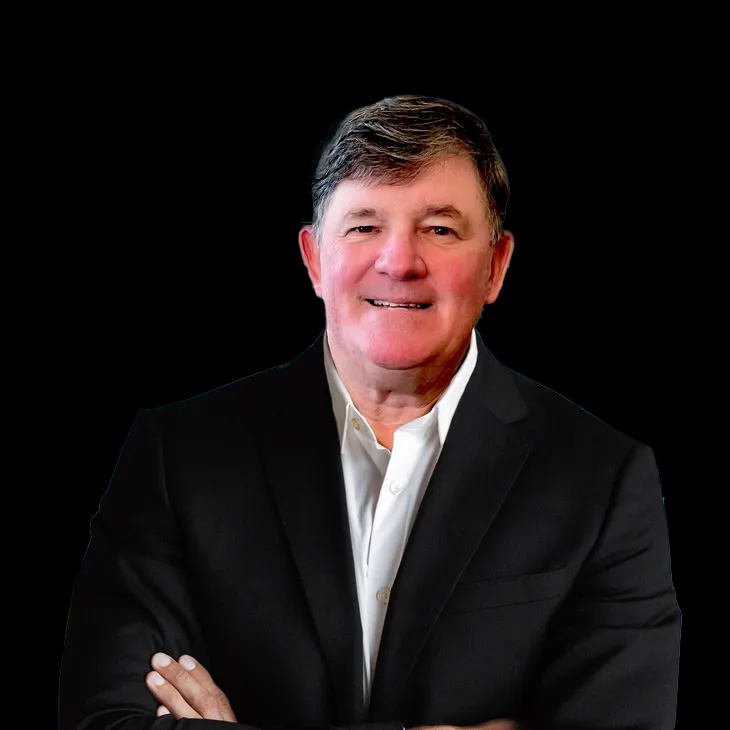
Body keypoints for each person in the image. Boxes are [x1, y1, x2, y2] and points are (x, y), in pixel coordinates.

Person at [59, 95, 680, 729]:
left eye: (439, 229)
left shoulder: (603, 479)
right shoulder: (178, 458)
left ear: (495, 267)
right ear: (313, 260)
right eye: (363, 227)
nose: (398, 262)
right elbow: (105, 721)